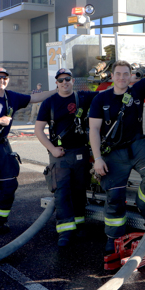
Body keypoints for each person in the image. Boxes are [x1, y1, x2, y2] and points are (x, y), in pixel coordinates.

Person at [89, 35, 145, 253]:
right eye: (118, 74)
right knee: (114, 196)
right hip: (114, 151)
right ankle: (114, 237)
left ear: (131, 76)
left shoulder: (137, 91)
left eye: (126, 74)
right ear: (112, 76)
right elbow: (93, 129)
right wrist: (98, 158)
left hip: (137, 145)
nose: (122, 77)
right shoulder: (100, 99)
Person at [0, 68, 57, 237]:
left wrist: (56, 90)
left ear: (8, 80)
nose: (1, 80)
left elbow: (35, 98)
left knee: (9, 185)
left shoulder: (12, 97)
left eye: (4, 78)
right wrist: (0, 121)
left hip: (3, 147)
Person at [34, 69, 98, 246]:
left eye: (67, 79)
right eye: (61, 80)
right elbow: (38, 130)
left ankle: (79, 224)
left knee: (79, 190)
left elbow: (107, 94)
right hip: (59, 155)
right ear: (56, 83)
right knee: (62, 193)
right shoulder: (49, 103)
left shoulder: (83, 97)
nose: (64, 82)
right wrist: (52, 149)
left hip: (80, 153)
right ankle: (65, 231)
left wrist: (130, 81)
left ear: (73, 80)